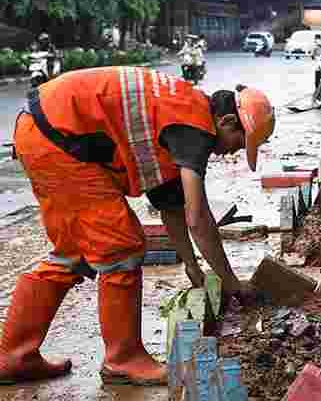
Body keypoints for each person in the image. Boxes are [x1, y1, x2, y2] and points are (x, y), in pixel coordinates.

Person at [0, 66, 275, 385]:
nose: (231, 152)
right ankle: (123, 359)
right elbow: (198, 218)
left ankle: (14, 355)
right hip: (58, 137)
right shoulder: (194, 128)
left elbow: (173, 208)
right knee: (122, 248)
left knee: (73, 253)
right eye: (238, 143)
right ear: (226, 122)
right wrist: (232, 282)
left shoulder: (178, 118)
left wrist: (192, 266)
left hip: (42, 132)